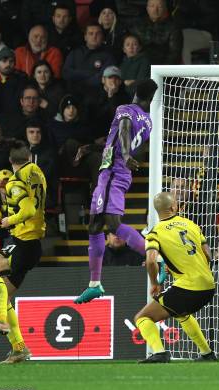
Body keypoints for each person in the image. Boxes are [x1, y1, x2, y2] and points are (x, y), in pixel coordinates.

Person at [74, 79, 158, 304]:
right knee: (94, 225)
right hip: (114, 172)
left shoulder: (125, 109)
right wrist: (92, 148)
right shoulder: (148, 121)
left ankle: (156, 258)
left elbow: (124, 128)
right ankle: (95, 283)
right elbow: (120, 145)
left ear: (135, 92)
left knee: (112, 224)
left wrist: (127, 157)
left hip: (113, 172)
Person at [0, 141, 46, 364]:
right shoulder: (37, 172)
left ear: (10, 161)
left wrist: (9, 220)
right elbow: (26, 200)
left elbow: (27, 209)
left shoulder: (16, 182)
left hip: (25, 241)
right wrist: (4, 194)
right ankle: (19, 348)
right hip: (26, 240)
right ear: (29, 156)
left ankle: (1, 323)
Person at [134, 192, 217, 363]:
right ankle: (207, 354)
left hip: (190, 287)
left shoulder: (154, 232)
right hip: (208, 285)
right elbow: (208, 254)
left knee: (142, 318)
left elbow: (150, 261)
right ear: (174, 207)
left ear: (158, 211)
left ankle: (159, 353)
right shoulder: (191, 224)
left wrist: (155, 283)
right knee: (179, 312)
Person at [62, 23, 116, 95]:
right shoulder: (75, 53)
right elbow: (66, 73)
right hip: (73, 95)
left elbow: (101, 79)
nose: (94, 36)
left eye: (98, 34)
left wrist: (77, 77)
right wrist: (91, 73)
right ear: (85, 37)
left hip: (97, 97)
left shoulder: (108, 56)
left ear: (102, 37)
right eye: (91, 33)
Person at [130, 0, 183, 65]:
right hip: (141, 65)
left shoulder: (173, 27)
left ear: (165, 9)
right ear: (147, 8)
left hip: (162, 66)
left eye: (160, 7)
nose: (155, 10)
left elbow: (174, 54)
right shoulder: (138, 24)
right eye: (152, 6)